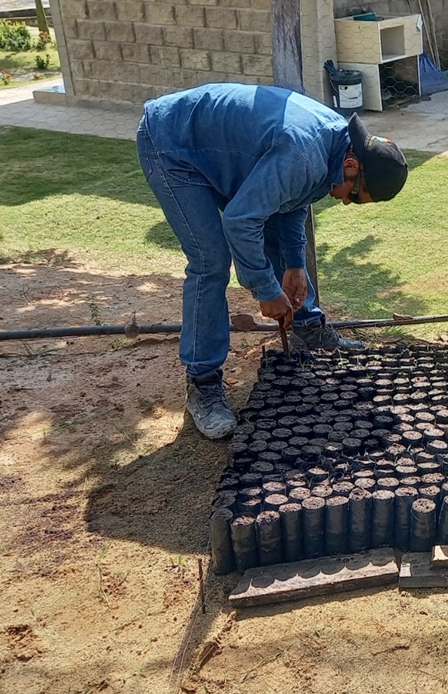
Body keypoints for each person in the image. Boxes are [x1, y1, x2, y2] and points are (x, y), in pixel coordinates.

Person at [136, 83, 409, 439]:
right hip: (171, 143)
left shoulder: (335, 147)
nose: (346, 202)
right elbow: (240, 221)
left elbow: (293, 202)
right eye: (355, 196)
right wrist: (266, 290)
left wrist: (295, 264)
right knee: (210, 261)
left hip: (219, 146)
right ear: (352, 164)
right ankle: (202, 382)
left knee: (269, 225)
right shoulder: (304, 154)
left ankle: (308, 330)